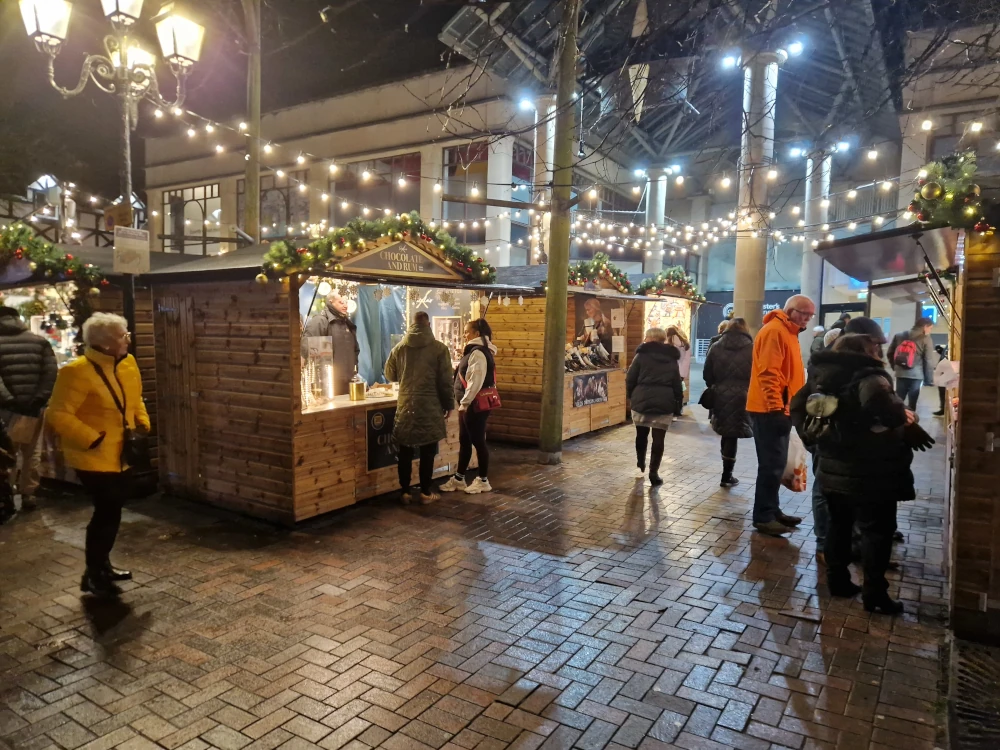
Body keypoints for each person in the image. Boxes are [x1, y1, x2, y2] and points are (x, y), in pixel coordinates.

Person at [790, 326, 933, 615]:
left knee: (838, 526)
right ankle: (876, 594)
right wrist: (904, 421)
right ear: (867, 351)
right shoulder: (870, 377)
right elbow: (888, 412)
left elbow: (797, 406)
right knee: (876, 532)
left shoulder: (821, 375)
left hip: (832, 466)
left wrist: (814, 442)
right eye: (875, 348)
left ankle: (838, 581)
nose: (879, 352)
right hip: (872, 470)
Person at [46, 313, 149, 596]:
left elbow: (135, 397)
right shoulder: (76, 371)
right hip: (94, 456)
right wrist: (92, 439)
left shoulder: (128, 363)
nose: (128, 339)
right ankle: (94, 573)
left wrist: (142, 422)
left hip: (122, 452)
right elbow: (57, 414)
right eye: (123, 335)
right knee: (107, 511)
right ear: (105, 343)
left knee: (112, 511)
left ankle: (100, 567)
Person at [746, 294, 815, 535]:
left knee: (776, 464)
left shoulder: (789, 332)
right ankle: (764, 516)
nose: (807, 319)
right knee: (770, 465)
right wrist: (776, 407)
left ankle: (772, 510)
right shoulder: (775, 331)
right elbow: (769, 373)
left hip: (780, 409)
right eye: (803, 314)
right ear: (790, 310)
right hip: (769, 410)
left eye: (810, 315)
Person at [384, 311, 454, 504]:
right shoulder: (440, 349)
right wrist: (449, 404)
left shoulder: (399, 348)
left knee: (405, 450)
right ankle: (425, 492)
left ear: (412, 325)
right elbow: (446, 381)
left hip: (406, 404)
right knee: (428, 451)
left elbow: (390, 374)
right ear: (428, 324)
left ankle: (405, 491)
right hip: (430, 406)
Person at [0, 306, 57, 511]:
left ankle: (6, 495)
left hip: (5, 410)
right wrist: (38, 399)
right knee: (32, 452)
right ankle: (28, 494)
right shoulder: (39, 342)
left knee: (6, 453)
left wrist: (8, 400)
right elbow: (50, 373)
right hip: (34, 409)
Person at [440, 319, 496, 495]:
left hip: (474, 405)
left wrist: (464, 403)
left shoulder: (478, 353)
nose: (464, 335)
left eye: (467, 331)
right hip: (469, 404)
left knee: (478, 441)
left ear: (476, 334)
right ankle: (459, 478)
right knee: (465, 441)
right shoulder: (476, 351)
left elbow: (475, 381)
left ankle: (483, 480)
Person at [626, 328, 683, 486]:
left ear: (650, 339)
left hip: (642, 399)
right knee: (659, 438)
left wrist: (632, 396)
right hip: (664, 401)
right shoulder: (671, 359)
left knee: (641, 433)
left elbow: (630, 378)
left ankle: (640, 462)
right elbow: (676, 383)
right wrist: (678, 402)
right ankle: (654, 472)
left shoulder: (641, 356)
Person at [703, 317, 753, 487]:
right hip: (744, 396)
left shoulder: (716, 346)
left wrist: (717, 386)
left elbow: (707, 374)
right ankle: (727, 475)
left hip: (721, 394)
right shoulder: (752, 348)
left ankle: (726, 473)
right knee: (733, 434)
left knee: (727, 433)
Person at [301, 291, 360, 396]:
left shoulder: (347, 324)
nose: (345, 305)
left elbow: (355, 350)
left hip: (347, 383)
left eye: (346, 302)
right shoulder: (320, 322)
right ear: (331, 302)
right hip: (327, 386)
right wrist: (321, 381)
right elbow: (309, 351)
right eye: (341, 302)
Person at [886, 317, 936, 411]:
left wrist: (895, 367)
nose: (930, 331)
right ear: (925, 326)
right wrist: (928, 380)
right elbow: (928, 360)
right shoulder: (926, 339)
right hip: (916, 375)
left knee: (899, 400)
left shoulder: (899, 335)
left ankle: (896, 421)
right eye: (930, 328)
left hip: (900, 374)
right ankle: (910, 422)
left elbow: (889, 353)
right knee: (912, 403)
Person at [666, 326, 692, 410]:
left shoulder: (669, 343)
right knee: (678, 390)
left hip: (671, 370)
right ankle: (678, 408)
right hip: (682, 371)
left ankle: (672, 408)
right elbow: (687, 359)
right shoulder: (685, 343)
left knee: (670, 390)